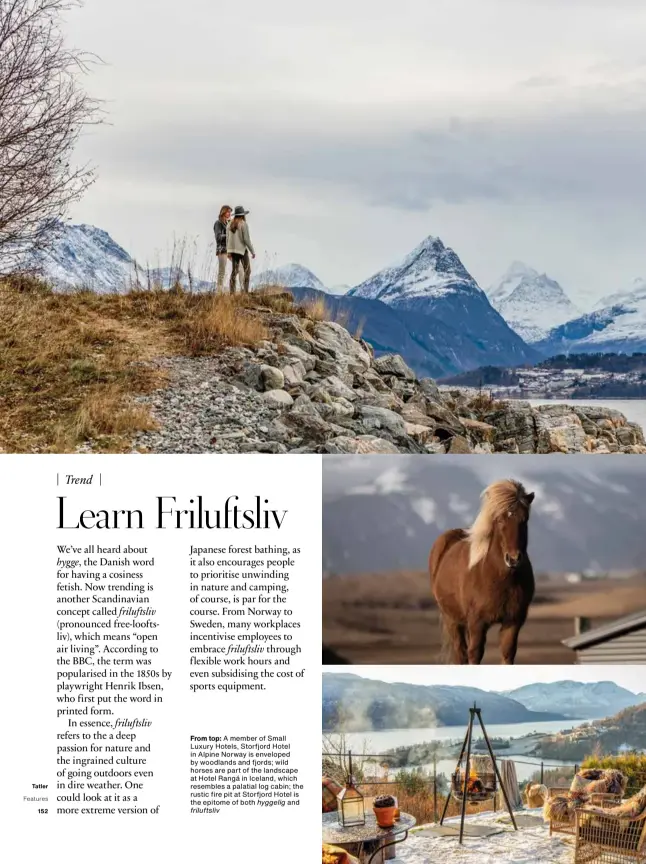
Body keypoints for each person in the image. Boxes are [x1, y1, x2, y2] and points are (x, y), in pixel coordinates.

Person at [226, 205, 255, 293]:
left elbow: (227, 238)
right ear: (243, 215)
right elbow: (246, 239)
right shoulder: (243, 224)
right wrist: (252, 251)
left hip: (233, 251)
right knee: (248, 271)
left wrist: (228, 251)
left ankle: (232, 293)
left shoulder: (229, 224)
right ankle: (245, 292)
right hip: (242, 251)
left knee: (234, 272)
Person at [213, 205, 232, 291]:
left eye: (230, 212)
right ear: (223, 212)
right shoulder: (218, 223)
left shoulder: (227, 223)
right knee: (222, 271)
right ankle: (219, 292)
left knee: (239, 267)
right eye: (228, 212)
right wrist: (228, 234)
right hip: (221, 250)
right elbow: (218, 237)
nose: (229, 213)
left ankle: (234, 289)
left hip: (228, 250)